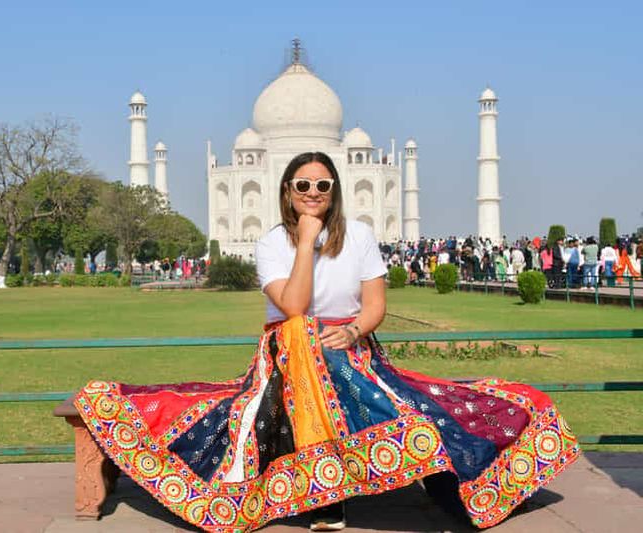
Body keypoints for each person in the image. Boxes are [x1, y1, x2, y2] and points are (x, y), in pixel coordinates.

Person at [72, 153, 580, 533]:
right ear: (287, 191)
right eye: (303, 185)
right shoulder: (273, 243)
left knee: (401, 395)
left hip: (352, 346)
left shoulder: (358, 236)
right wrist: (305, 240)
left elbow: (374, 305)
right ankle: (333, 490)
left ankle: (402, 486)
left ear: (335, 190)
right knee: (305, 338)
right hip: (289, 356)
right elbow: (294, 307)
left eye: (322, 185)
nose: (313, 192)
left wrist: (354, 330)